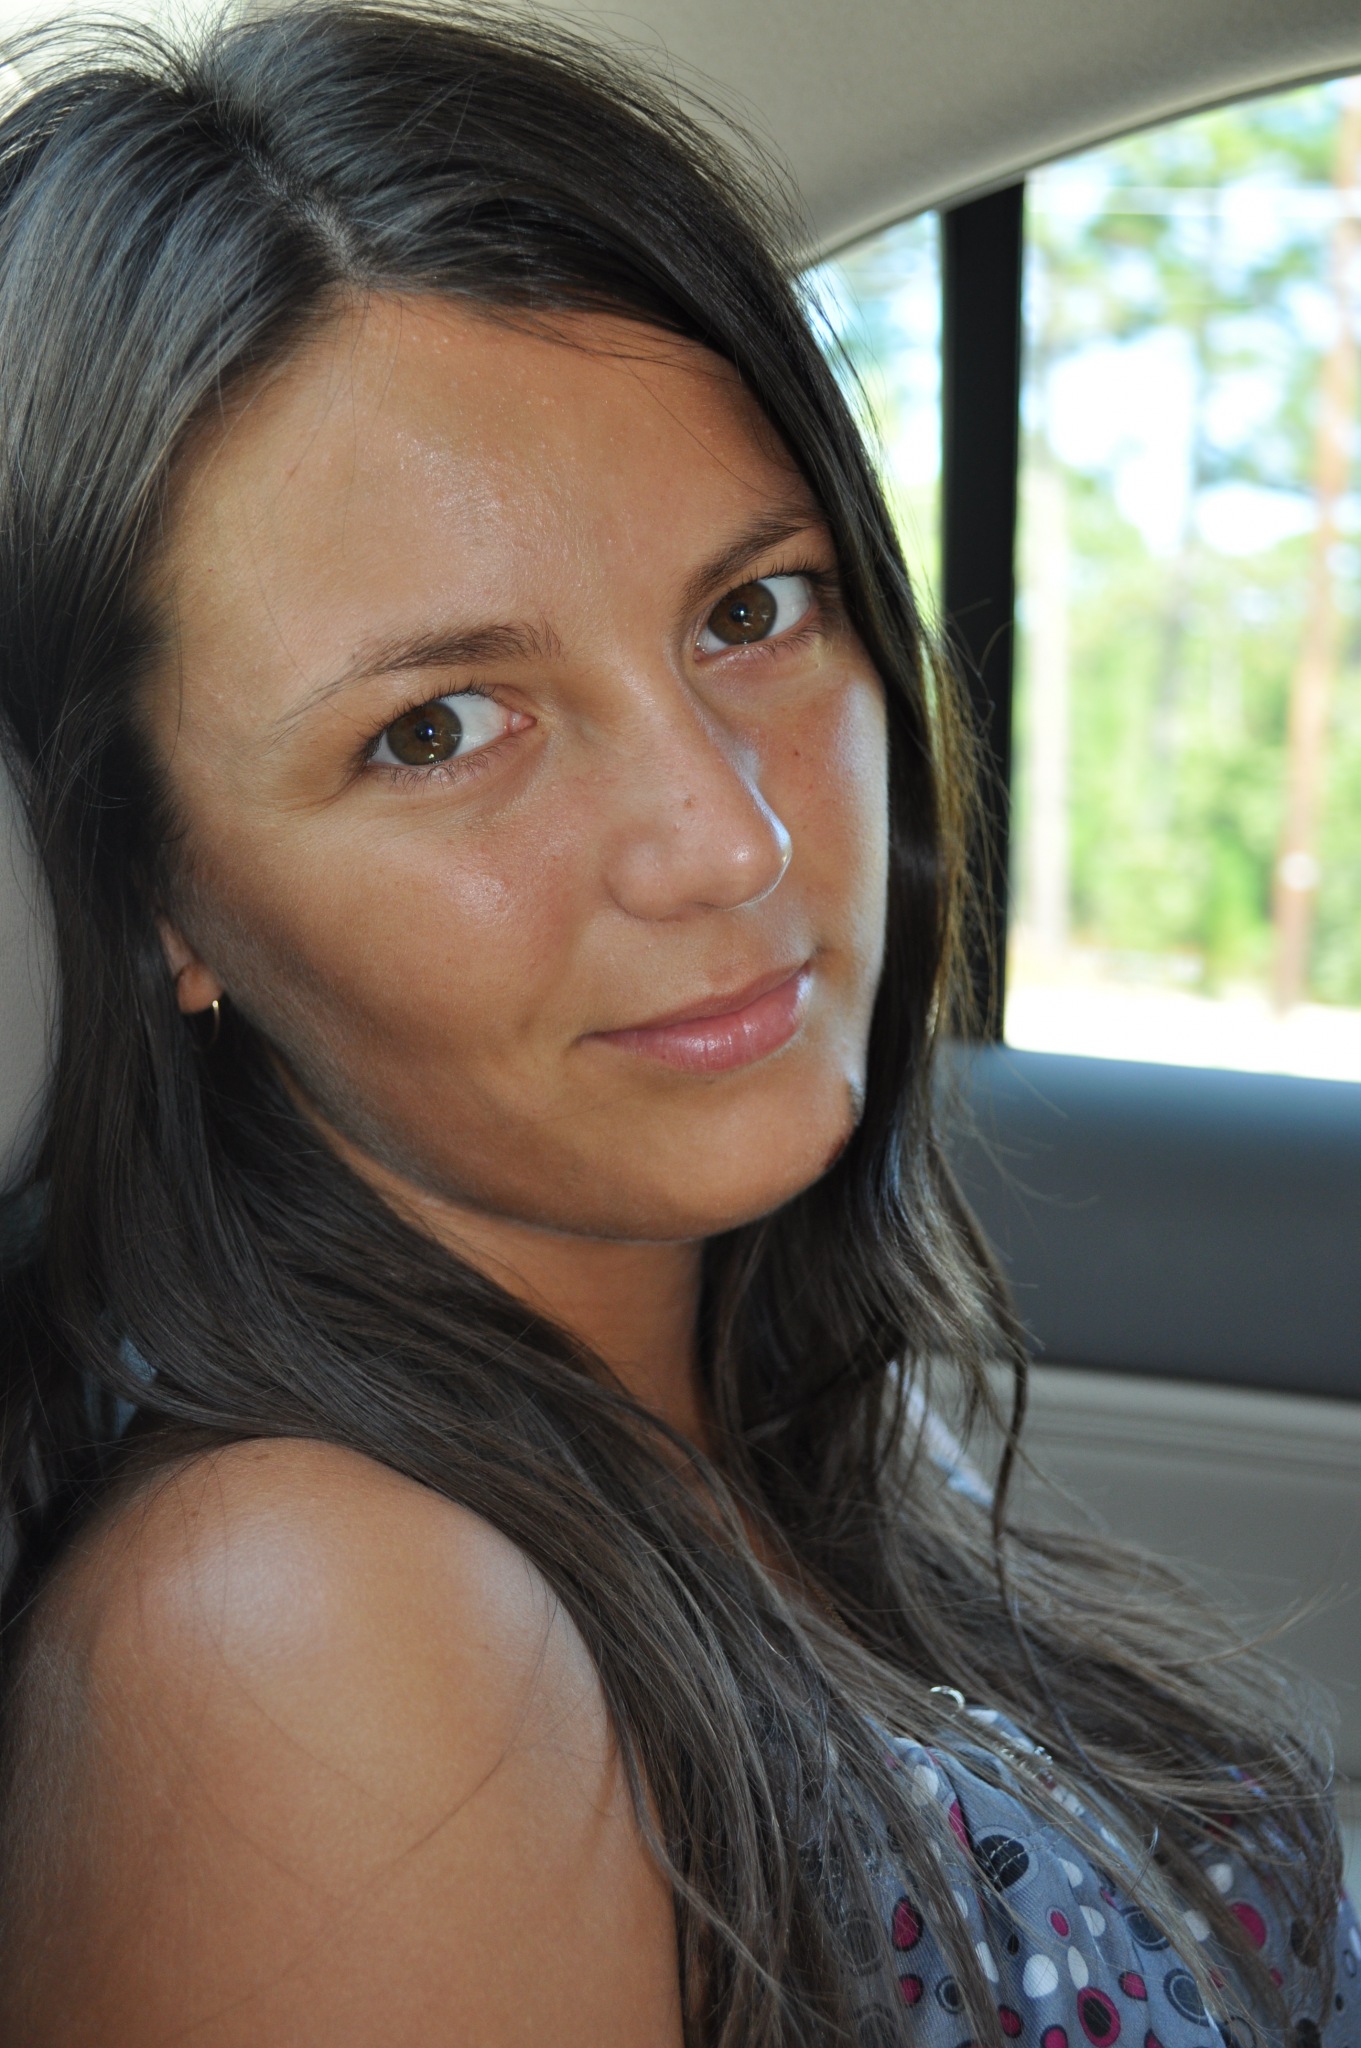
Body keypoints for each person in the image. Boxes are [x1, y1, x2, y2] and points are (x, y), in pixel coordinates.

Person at [0, 6, 1352, 2042]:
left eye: (750, 611)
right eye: (440, 729)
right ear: (157, 895)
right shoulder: (309, 1642)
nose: (729, 839)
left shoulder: (744, 1416)